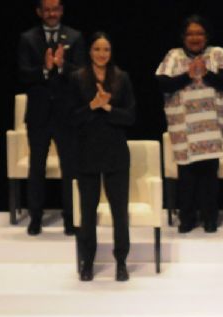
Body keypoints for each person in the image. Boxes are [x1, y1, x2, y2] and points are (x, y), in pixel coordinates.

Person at [156, 15, 223, 233]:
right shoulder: (174, 55)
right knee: (187, 176)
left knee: (209, 175)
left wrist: (205, 73)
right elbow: (163, 83)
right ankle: (187, 218)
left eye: (199, 33)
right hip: (184, 128)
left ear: (206, 36)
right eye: (190, 34)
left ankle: (210, 218)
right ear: (183, 36)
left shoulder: (217, 54)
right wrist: (188, 75)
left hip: (211, 127)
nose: (195, 38)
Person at [70, 32, 136, 282]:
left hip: (115, 152)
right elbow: (71, 118)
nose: (102, 54)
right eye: (97, 49)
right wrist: (92, 106)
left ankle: (121, 261)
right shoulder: (77, 78)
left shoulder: (121, 78)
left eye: (106, 49)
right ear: (90, 52)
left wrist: (107, 107)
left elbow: (130, 116)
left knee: (120, 211)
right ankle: (88, 261)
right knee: (88, 212)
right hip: (86, 152)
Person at [17, 0, 85, 236]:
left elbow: (82, 73)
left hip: (67, 115)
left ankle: (70, 218)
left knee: (70, 169)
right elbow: (23, 74)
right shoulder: (27, 38)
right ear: (39, 12)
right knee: (37, 167)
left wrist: (62, 65)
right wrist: (45, 69)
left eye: (55, 8)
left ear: (62, 10)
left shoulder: (74, 37)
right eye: (47, 9)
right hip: (39, 115)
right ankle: (35, 217)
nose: (51, 13)